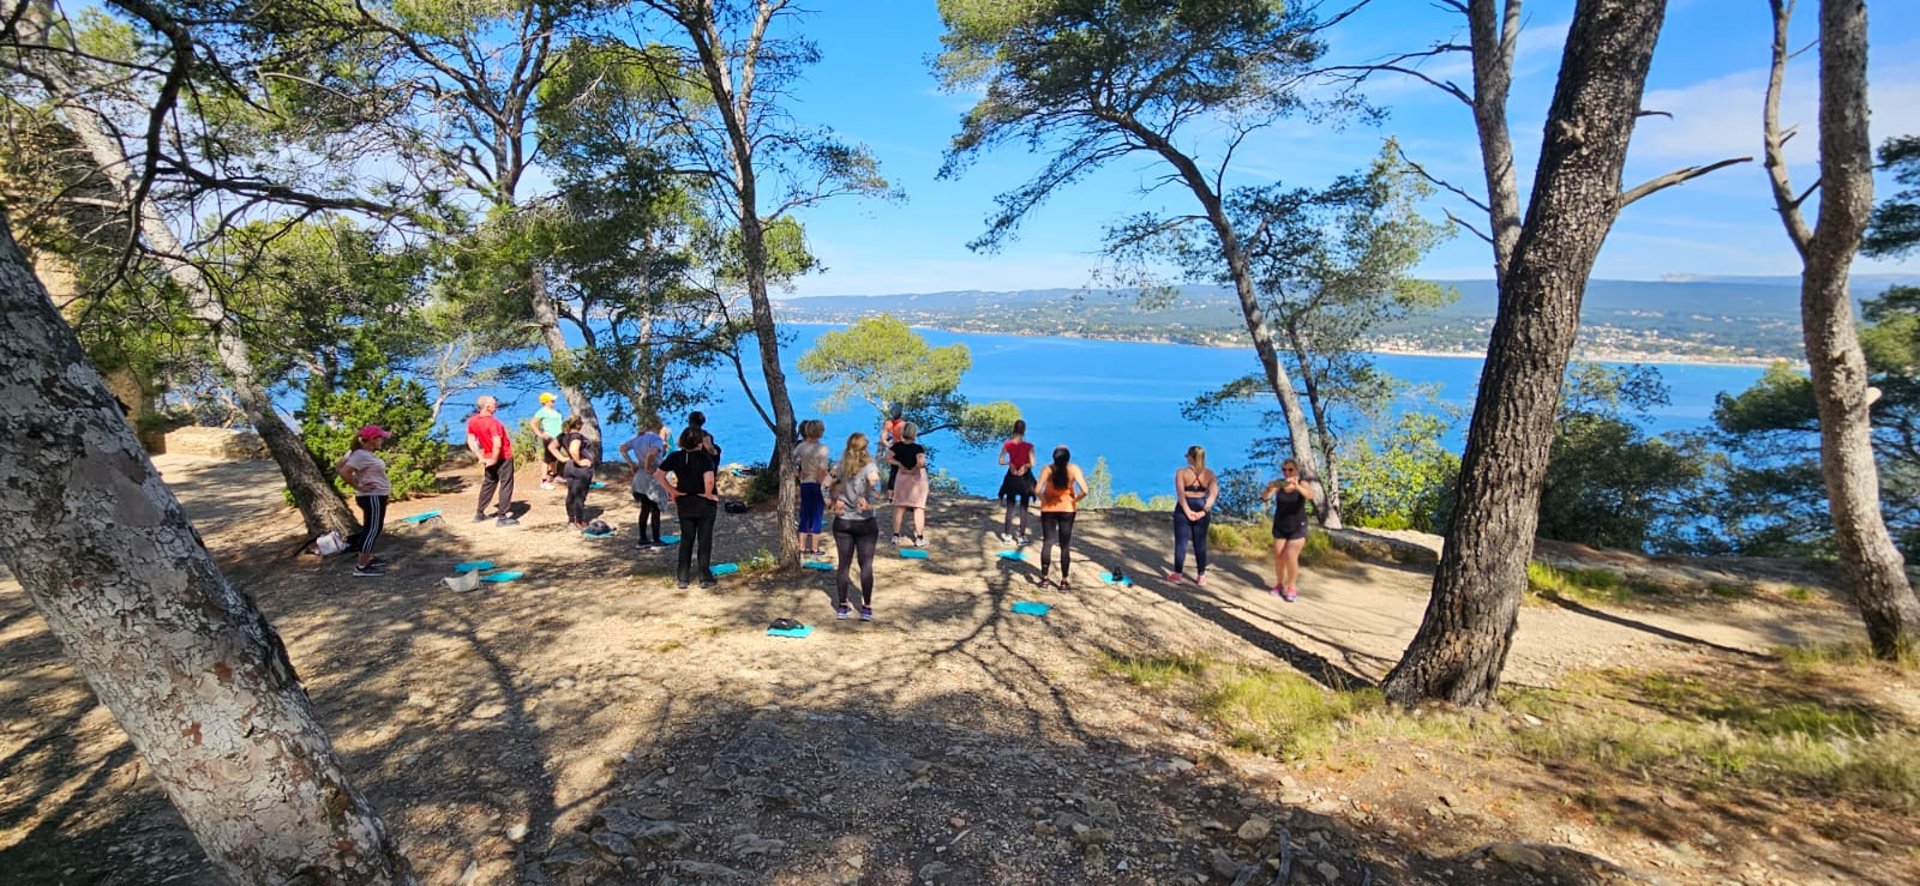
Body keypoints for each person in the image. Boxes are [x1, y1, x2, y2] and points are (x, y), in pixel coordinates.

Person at [828, 432, 883, 621]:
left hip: (843, 521)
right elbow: (876, 487)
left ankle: (842, 606)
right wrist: (870, 503)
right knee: (866, 565)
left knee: (844, 564)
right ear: (865, 447)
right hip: (865, 521)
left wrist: (830, 502)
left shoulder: (840, 465)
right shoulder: (870, 466)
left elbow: (826, 482)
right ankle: (866, 608)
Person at [658, 427, 720, 589]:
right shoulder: (705, 459)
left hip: (684, 500)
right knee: (704, 538)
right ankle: (704, 576)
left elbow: (658, 474)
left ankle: (683, 576)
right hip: (703, 502)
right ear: (700, 442)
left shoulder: (675, 457)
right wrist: (708, 493)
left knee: (687, 538)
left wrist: (672, 491)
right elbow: (709, 479)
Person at [335, 425, 393, 577]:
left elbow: (339, 465)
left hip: (374, 496)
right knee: (372, 530)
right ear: (373, 440)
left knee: (371, 528)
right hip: (372, 496)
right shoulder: (361, 455)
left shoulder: (358, 453)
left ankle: (369, 558)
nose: (383, 440)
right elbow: (343, 471)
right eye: (380, 437)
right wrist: (358, 485)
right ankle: (361, 567)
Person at [1262, 458, 1320, 602]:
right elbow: (1265, 497)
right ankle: (1279, 584)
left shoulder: (1302, 483)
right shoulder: (1279, 484)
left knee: (1291, 555)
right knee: (1279, 556)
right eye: (1284, 470)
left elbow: (1310, 495)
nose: (1287, 473)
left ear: (1296, 470)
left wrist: (1297, 487)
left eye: (1290, 470)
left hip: (1297, 527)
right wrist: (1269, 489)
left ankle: (1291, 586)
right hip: (1280, 525)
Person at [1034, 445, 1089, 589]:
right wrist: (1075, 500)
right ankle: (1064, 581)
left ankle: (1045, 579)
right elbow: (1085, 490)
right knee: (1065, 546)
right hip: (1067, 509)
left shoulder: (1047, 469)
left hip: (1048, 510)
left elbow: (1037, 489)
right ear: (1068, 458)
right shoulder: (1074, 469)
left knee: (1048, 542)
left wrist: (1044, 500)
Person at [1169, 445, 1219, 585]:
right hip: (1201, 505)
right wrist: (1203, 511)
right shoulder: (1210, 474)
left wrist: (1187, 511)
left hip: (1184, 508)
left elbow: (1181, 495)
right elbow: (1213, 494)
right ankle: (1201, 576)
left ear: (1191, 457)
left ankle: (1178, 574)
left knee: (1181, 542)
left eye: (1187, 456)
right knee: (1200, 543)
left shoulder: (1181, 473)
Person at [466, 395, 518, 526]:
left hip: (488, 457)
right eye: (494, 404)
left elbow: (471, 440)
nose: (497, 406)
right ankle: (502, 517)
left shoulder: (473, 421)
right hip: (503, 457)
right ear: (488, 407)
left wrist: (481, 457)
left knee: (488, 483)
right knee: (506, 484)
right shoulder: (494, 423)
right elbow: (498, 444)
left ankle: (479, 513)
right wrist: (494, 459)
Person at [621, 422, 671, 548]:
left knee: (645, 508)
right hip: (652, 476)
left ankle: (643, 539)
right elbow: (652, 453)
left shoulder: (637, 439)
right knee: (655, 508)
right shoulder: (656, 439)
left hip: (640, 477)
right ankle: (656, 539)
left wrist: (631, 463)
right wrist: (649, 466)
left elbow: (622, 448)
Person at [551, 415, 598, 530]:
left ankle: (571, 519)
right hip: (580, 469)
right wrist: (579, 461)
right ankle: (579, 521)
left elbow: (552, 447)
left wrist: (563, 459)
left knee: (571, 493)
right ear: (578, 425)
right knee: (579, 495)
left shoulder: (563, 436)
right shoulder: (577, 436)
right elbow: (573, 449)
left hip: (569, 467)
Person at [887, 421, 929, 547]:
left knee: (899, 507)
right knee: (918, 508)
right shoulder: (918, 448)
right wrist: (915, 469)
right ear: (914, 433)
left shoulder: (896, 447)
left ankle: (895, 536)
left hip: (902, 478)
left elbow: (888, 457)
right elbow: (921, 463)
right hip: (917, 480)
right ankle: (919, 538)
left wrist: (899, 464)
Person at [995, 419, 1036, 544]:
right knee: (1024, 507)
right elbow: (1033, 463)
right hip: (1025, 478)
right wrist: (1025, 467)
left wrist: (1010, 464)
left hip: (1012, 477)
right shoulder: (1029, 446)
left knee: (1010, 506)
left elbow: (1000, 460)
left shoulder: (1008, 444)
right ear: (1024, 431)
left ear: (1013, 429)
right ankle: (1022, 536)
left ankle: (1007, 535)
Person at [795, 419, 831, 557]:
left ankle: (801, 547)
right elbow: (822, 469)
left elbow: (793, 460)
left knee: (805, 514)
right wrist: (822, 484)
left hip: (804, 483)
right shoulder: (822, 449)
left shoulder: (801, 447)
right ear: (819, 432)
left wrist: (799, 474)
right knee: (816, 515)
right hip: (816, 484)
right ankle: (815, 549)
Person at [529, 392, 565, 490]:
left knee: (555, 458)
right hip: (549, 437)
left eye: (553, 400)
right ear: (546, 402)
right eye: (551, 400)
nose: (553, 401)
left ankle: (555, 475)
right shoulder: (542, 411)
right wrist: (540, 434)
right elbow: (532, 423)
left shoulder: (554, 411)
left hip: (558, 437)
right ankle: (544, 481)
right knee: (547, 459)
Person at [880, 405, 905, 495]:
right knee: (904, 471)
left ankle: (891, 496)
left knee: (894, 472)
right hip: (902, 449)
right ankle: (902, 494)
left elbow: (883, 439)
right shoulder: (903, 424)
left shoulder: (888, 423)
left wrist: (889, 446)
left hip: (894, 449)